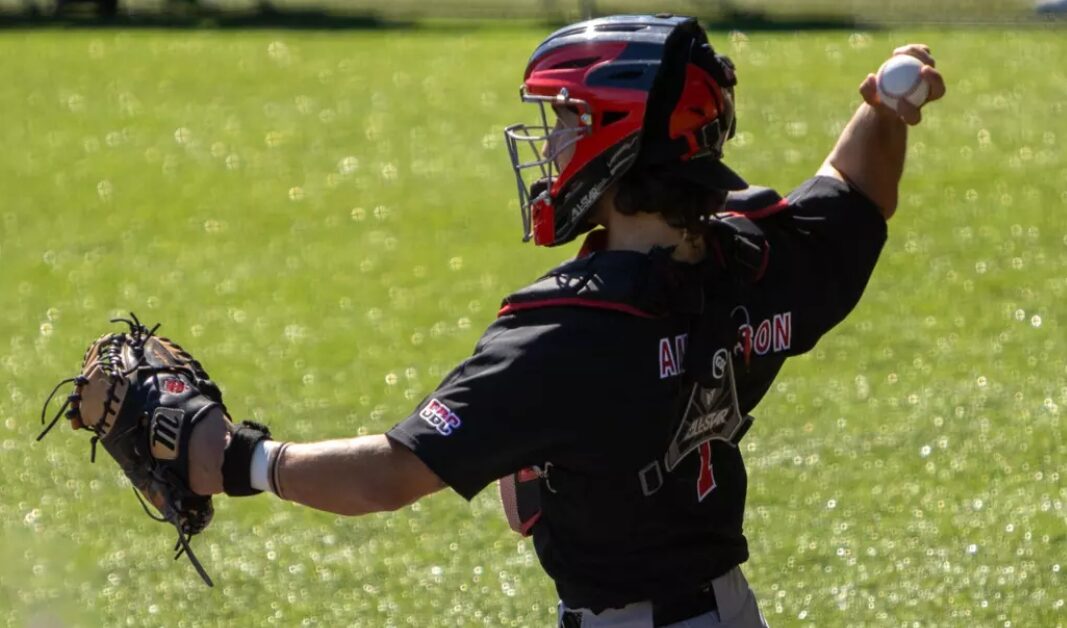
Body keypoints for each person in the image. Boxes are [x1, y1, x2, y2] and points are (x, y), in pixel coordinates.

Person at [189, 14, 945, 627]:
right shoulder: (749, 259)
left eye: (567, 119)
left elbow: (388, 475)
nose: (550, 144)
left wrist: (243, 461)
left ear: (618, 141)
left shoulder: (569, 331)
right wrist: (884, 110)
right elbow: (852, 192)